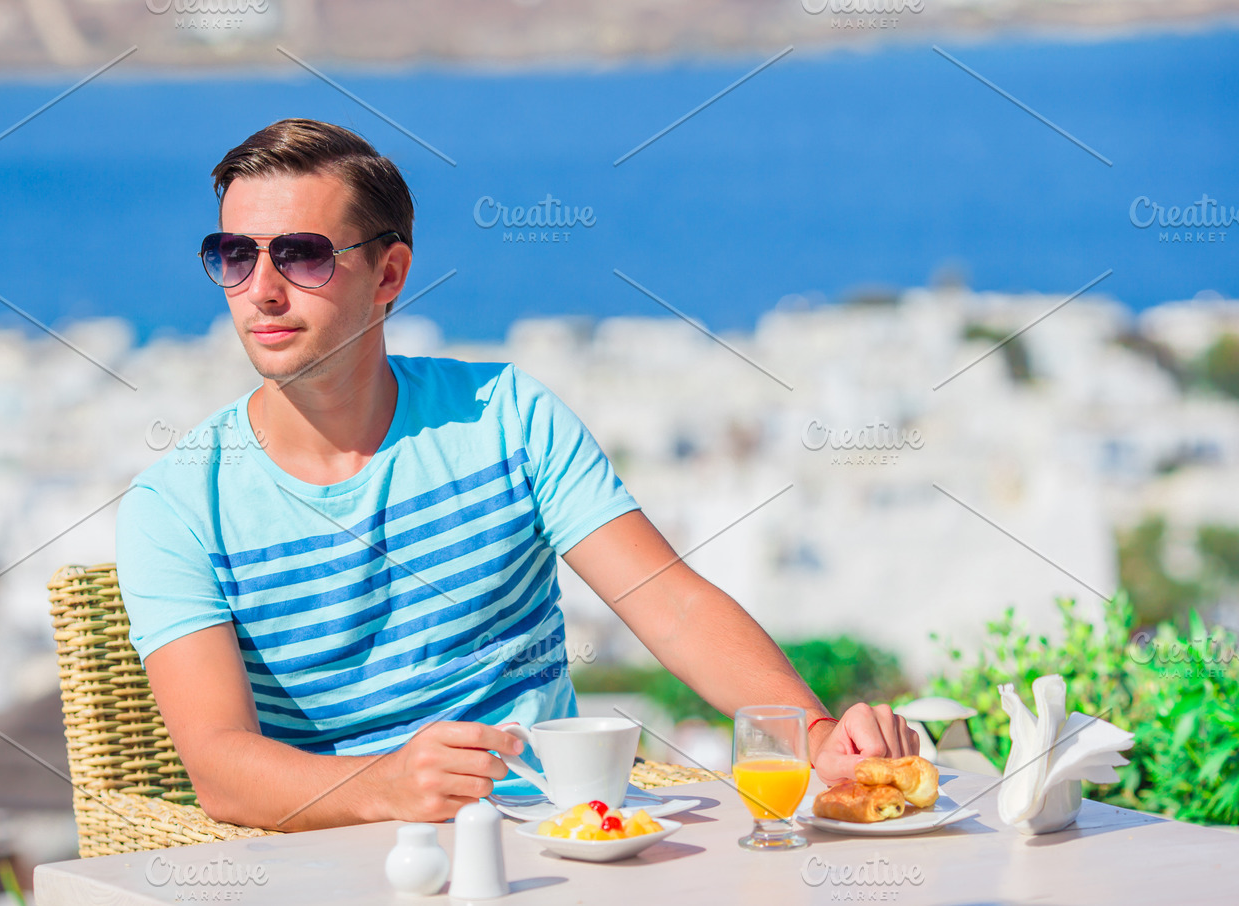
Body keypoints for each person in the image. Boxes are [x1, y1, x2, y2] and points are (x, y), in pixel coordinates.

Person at [116, 118, 918, 832]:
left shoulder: (506, 416)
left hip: (561, 841)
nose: (260, 289)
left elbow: (668, 605)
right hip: (341, 862)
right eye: (234, 254)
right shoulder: (179, 504)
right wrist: (390, 785)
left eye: (301, 254)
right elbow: (220, 769)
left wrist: (811, 739)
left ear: (389, 276)